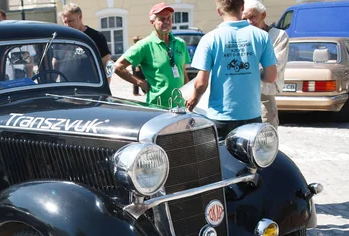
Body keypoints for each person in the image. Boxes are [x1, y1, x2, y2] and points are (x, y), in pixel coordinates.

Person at [185, 0, 277, 139]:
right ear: (242, 7)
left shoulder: (210, 38)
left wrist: (194, 98)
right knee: (248, 159)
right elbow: (271, 77)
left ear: (219, 11)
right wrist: (252, 73)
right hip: (251, 114)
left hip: (221, 115)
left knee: (222, 159)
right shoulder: (261, 36)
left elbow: (201, 83)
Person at [114, 3, 190, 107]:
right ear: (152, 22)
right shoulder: (144, 45)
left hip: (180, 106)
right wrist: (141, 83)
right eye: (162, 19)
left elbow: (183, 72)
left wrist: (190, 95)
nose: (167, 22)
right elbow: (118, 67)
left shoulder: (180, 43)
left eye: (169, 18)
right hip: (157, 106)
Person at [243, 0, 289, 128]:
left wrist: (244, 71)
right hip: (241, 94)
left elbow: (273, 67)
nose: (249, 22)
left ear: (263, 15)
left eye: (252, 17)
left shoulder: (278, 36)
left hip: (264, 94)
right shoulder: (242, 36)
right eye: (245, 18)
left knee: (265, 138)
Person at [60, 3, 111, 70]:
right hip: (66, 80)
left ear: (80, 17)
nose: (67, 25)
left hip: (89, 80)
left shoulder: (97, 37)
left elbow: (107, 64)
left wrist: (106, 80)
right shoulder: (61, 39)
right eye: (65, 22)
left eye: (70, 21)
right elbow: (55, 63)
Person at [0, 9, 36, 80]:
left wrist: (30, 80)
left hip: (20, 80)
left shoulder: (19, 37)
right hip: (2, 80)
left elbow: (29, 63)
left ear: (6, 19)